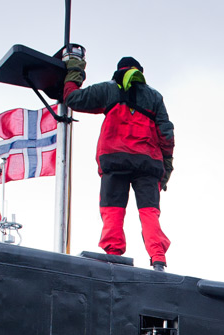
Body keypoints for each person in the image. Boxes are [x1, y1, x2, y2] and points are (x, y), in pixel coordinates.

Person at [63, 53, 174, 270]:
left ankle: (113, 256)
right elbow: (166, 135)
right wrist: (166, 167)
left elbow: (73, 99)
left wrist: (74, 70)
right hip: (148, 163)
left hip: (115, 158)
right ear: (140, 72)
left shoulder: (109, 89)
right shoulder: (155, 97)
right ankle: (158, 259)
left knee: (112, 208)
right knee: (149, 211)